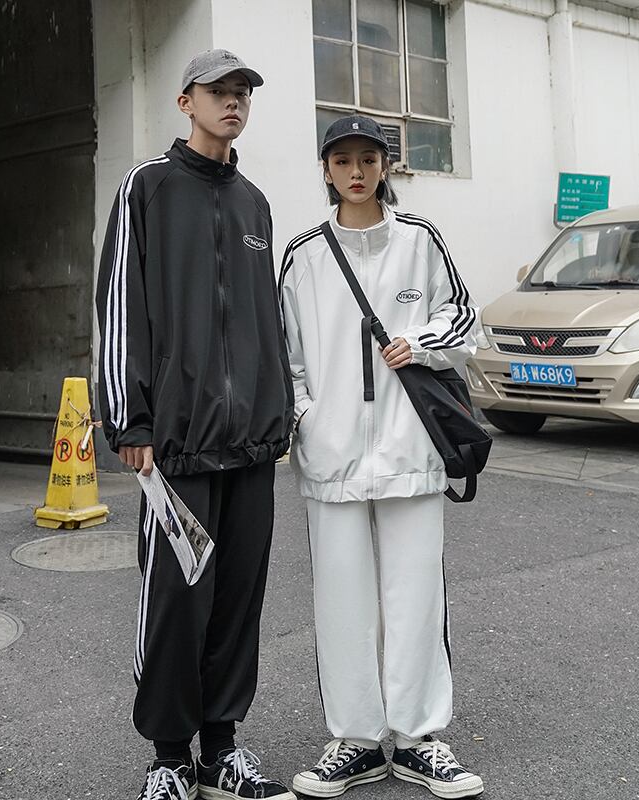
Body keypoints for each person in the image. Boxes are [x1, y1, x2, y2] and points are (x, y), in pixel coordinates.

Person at [95, 49, 295, 800]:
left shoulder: (254, 204)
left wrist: (278, 416)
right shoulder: (146, 187)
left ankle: (221, 751)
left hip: (251, 446)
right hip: (174, 445)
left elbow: (265, 321)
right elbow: (119, 305)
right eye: (219, 91)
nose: (233, 102)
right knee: (178, 603)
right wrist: (129, 419)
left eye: (243, 92)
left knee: (238, 601)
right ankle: (170, 758)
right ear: (186, 102)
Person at [280, 115, 484, 800]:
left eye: (368, 158)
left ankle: (419, 739)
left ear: (385, 165)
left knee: (416, 597)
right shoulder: (304, 254)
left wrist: (419, 341)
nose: (356, 171)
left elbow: (463, 318)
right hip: (332, 454)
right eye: (342, 160)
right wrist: (308, 422)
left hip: (411, 447)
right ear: (326, 169)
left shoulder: (420, 239)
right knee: (341, 602)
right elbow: (286, 357)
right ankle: (358, 741)